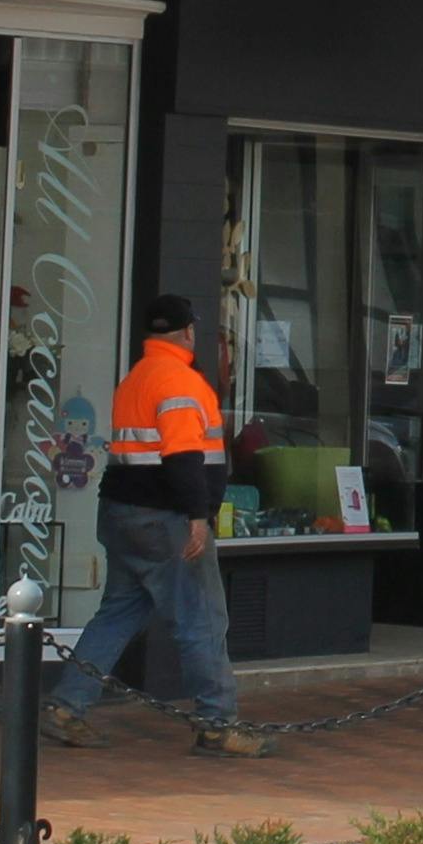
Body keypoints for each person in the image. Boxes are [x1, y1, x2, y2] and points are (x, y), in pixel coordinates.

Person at [42, 295, 262, 758]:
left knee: (118, 612)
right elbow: (183, 457)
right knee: (202, 619)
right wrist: (198, 518)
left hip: (123, 514)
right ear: (187, 332)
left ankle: (67, 706)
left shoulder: (135, 378)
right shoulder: (182, 381)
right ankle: (217, 725)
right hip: (167, 519)